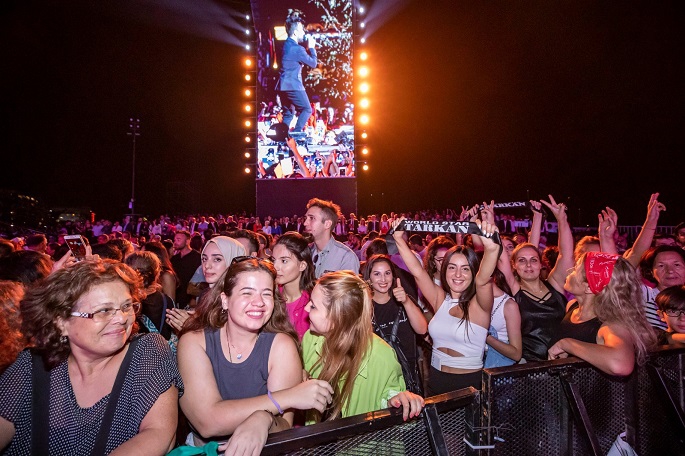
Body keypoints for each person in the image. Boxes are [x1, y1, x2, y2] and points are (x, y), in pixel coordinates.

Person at [0, 260, 181, 455]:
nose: (122, 318)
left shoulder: (146, 351)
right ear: (61, 322)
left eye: (127, 306)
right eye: (104, 310)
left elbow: (159, 434)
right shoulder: (31, 366)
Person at [177, 258, 333, 452]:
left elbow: (284, 426)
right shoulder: (194, 342)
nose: (258, 302)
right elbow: (207, 422)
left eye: (266, 294)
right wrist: (287, 398)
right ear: (225, 300)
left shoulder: (281, 346)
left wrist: (264, 419)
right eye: (247, 293)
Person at [392, 218, 500, 394]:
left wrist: (492, 249)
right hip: (436, 379)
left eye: (465, 268)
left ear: (473, 272)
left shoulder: (480, 305)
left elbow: (483, 281)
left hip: (469, 384)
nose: (458, 274)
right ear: (444, 271)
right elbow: (418, 272)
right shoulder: (441, 299)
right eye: (452, 267)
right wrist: (398, 239)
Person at [303, 271, 425, 422]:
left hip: (363, 444)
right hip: (318, 442)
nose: (306, 308)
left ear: (338, 317)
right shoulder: (310, 339)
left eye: (313, 306)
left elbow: (392, 403)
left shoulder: (382, 356)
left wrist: (398, 403)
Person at [548, 252, 656, 376]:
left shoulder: (611, 324)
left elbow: (621, 365)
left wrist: (566, 344)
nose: (569, 271)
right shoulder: (572, 307)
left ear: (589, 287)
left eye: (575, 269)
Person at [498, 196, 575, 362]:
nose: (528, 265)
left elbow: (566, 254)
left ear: (541, 265)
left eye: (533, 260)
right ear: (514, 267)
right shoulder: (514, 288)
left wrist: (561, 219)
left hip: (562, 363)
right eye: (522, 261)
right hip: (529, 369)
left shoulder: (555, 284)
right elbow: (499, 255)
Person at [363, 255, 427, 391]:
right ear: (369, 278)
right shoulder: (364, 308)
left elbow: (422, 329)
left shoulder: (404, 301)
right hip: (379, 376)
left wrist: (406, 302)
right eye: (377, 274)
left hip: (408, 374)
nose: (383, 279)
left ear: (393, 276)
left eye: (387, 273)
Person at [276, 9, 317, 134]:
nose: (303, 32)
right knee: (307, 109)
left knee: (289, 114)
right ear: (295, 32)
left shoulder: (286, 46)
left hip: (282, 85)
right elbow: (313, 63)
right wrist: (312, 48)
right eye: (301, 30)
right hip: (293, 84)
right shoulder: (298, 49)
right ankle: (297, 133)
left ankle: (282, 138)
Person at [272, 232, 316, 340]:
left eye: (284, 261)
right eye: (273, 260)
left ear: (302, 265)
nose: (275, 266)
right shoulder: (269, 296)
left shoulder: (314, 302)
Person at [304, 198, 360, 278]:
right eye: (306, 218)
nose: (305, 223)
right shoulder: (306, 253)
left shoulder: (345, 257)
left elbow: (350, 290)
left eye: (312, 218)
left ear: (327, 224)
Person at [170, 231, 202, 308]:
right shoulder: (174, 259)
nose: (175, 242)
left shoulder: (197, 258)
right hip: (177, 299)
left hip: (191, 300)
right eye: (174, 240)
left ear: (187, 241)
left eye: (178, 239)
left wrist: (193, 298)